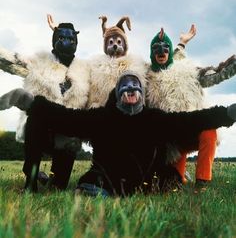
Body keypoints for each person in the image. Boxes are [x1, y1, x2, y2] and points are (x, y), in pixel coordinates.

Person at [1, 71, 235, 196]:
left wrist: (227, 113)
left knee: (169, 184)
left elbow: (192, 120)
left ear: (141, 94)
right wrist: (28, 102)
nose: (130, 89)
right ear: (117, 93)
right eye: (125, 85)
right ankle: (34, 182)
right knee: (89, 192)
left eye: (135, 85)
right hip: (104, 182)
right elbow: (65, 117)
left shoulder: (154, 119)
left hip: (144, 181)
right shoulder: (102, 118)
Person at [0, 15, 90, 189]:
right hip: (42, 127)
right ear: (55, 40)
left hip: (68, 132)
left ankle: (51, 178)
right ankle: (31, 179)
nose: (67, 42)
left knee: (58, 186)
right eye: (62, 38)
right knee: (37, 112)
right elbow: (12, 60)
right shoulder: (40, 61)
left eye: (71, 38)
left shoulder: (84, 69)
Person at [146, 26, 236, 186]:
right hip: (170, 140)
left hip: (192, 126)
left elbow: (213, 74)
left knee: (209, 132)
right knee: (174, 183)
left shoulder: (185, 71)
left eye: (166, 48)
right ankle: (179, 176)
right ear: (152, 53)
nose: (161, 53)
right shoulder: (146, 77)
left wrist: (233, 65)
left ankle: (203, 181)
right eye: (157, 49)